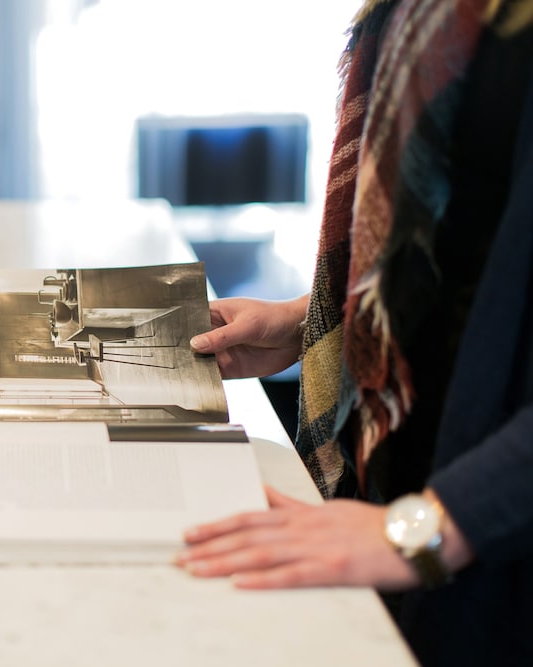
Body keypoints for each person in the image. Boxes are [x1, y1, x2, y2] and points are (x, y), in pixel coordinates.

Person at [174, 0, 533, 665]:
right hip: (396, 489)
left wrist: (420, 531)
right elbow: (459, 253)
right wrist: (309, 322)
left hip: (481, 537)